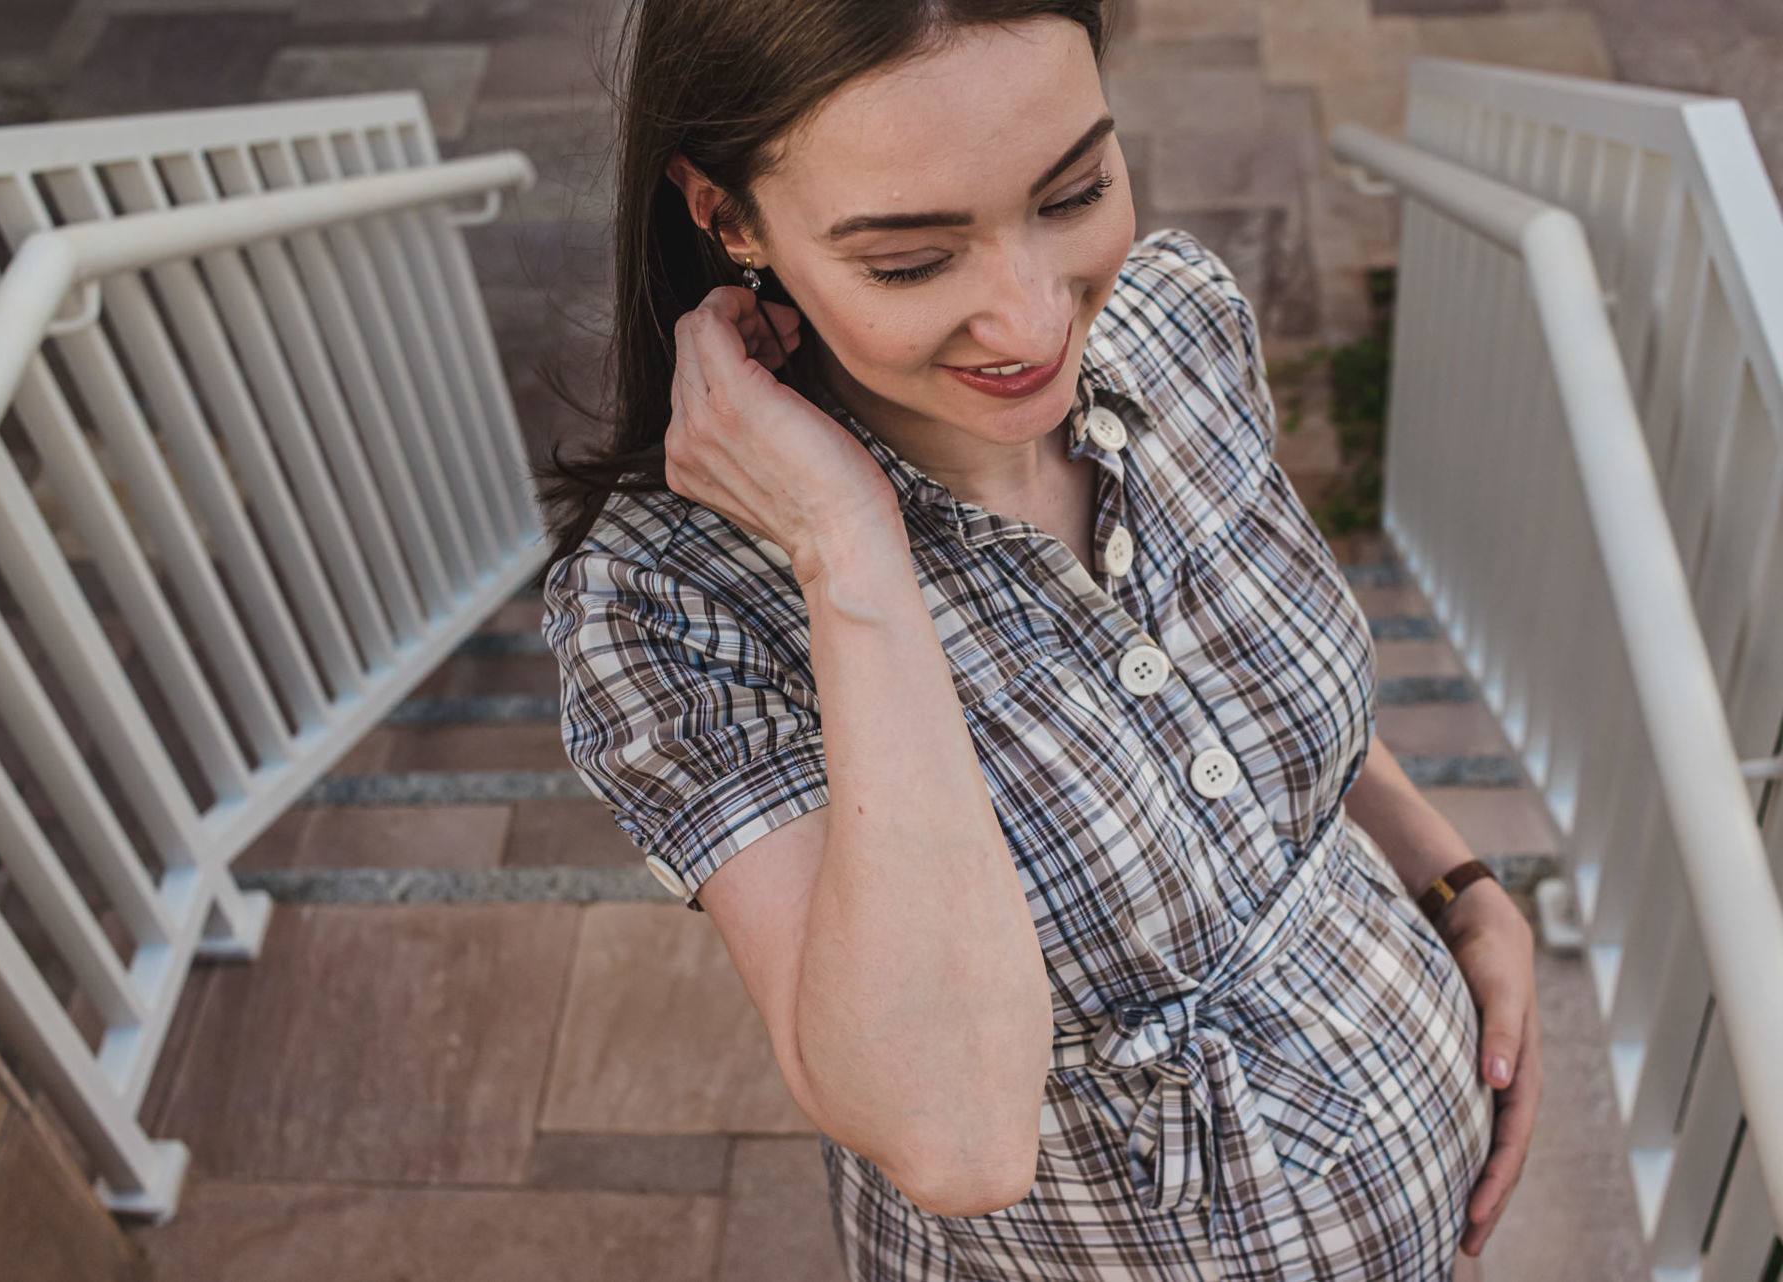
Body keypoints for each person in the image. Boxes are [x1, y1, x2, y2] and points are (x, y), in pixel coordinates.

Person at [536, 2, 1542, 1278]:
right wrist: (850, 554)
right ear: (731, 219)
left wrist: (1455, 880)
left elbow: (1229, 687)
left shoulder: (1180, 324)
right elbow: (951, 1136)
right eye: (910, 262)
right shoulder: (670, 605)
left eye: (1072, 192)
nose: (1028, 322)